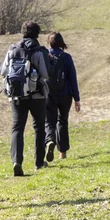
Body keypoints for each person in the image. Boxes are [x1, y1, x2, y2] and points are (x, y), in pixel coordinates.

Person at [0, 21, 51, 176]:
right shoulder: (40, 51)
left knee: (17, 129)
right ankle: (38, 163)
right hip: (37, 96)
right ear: (37, 34)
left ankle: (17, 161)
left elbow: (3, 71)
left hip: (17, 96)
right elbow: (46, 74)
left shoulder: (12, 49)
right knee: (39, 128)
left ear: (22, 33)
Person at [44, 32, 80, 162]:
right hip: (66, 95)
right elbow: (72, 78)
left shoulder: (46, 56)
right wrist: (77, 99)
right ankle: (62, 152)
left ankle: (50, 140)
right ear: (61, 43)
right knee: (63, 121)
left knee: (49, 122)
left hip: (49, 94)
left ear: (49, 43)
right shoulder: (67, 57)